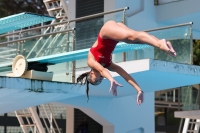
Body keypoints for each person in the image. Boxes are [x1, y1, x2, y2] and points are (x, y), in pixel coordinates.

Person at [76, 20, 176, 105]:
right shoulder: (108, 64)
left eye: (97, 80)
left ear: (92, 73)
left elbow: (102, 70)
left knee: (132, 37)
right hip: (115, 34)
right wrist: (139, 90)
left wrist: (111, 79)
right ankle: (161, 43)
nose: (100, 80)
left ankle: (160, 44)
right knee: (137, 40)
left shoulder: (91, 61)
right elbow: (126, 76)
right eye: (100, 82)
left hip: (106, 33)